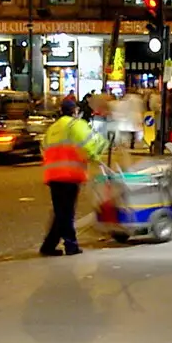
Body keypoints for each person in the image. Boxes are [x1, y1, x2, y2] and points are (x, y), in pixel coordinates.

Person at [40, 95, 106, 257]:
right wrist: (97, 155)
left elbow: (43, 149)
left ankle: (48, 246)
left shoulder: (52, 129)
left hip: (53, 175)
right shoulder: (76, 126)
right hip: (70, 175)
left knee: (60, 212)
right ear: (75, 111)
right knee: (66, 212)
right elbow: (91, 146)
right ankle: (71, 245)